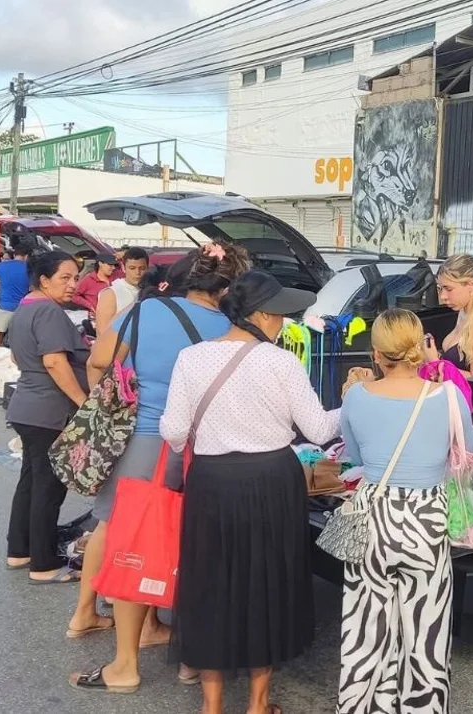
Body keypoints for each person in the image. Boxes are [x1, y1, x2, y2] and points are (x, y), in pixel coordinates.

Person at [68, 245, 247, 694]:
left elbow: (96, 360)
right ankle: (189, 653)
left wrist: (118, 405)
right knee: (192, 545)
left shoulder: (145, 312)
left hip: (143, 440)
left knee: (131, 540)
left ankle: (126, 661)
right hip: (202, 447)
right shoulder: (232, 329)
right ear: (226, 288)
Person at [158, 270, 336, 714]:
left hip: (212, 482)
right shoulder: (281, 362)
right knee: (267, 583)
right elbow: (317, 429)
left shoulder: (191, 358)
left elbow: (174, 431)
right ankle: (258, 704)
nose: (282, 322)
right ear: (259, 314)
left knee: (210, 585)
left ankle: (212, 706)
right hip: (272, 480)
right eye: (278, 313)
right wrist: (353, 399)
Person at [336, 309, 473, 714]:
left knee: (366, 626)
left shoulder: (356, 397)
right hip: (427, 517)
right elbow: (467, 446)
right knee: (426, 627)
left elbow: (354, 456)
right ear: (418, 347)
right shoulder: (448, 396)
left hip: (372, 513)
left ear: (376, 354)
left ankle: (366, 705)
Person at [4, 250, 88, 584]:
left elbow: (16, 354)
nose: (72, 285)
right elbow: (55, 362)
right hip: (48, 411)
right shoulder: (50, 312)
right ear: (44, 280)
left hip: (26, 406)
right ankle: (43, 564)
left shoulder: (24, 308)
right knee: (48, 487)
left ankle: (19, 549)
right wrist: (82, 402)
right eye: (65, 278)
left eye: (75, 277)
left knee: (30, 480)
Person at [93, 246, 150, 337]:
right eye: (132, 268)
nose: (137, 273)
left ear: (147, 268)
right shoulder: (111, 294)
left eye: (142, 268)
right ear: (124, 268)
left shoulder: (151, 292)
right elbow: (102, 333)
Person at [0, 237, 34, 346]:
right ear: (27, 256)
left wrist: (3, 287)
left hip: (4, 306)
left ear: (14, 254)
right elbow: (32, 288)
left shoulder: (0, 266)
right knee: (20, 338)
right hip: (22, 308)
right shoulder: (30, 268)